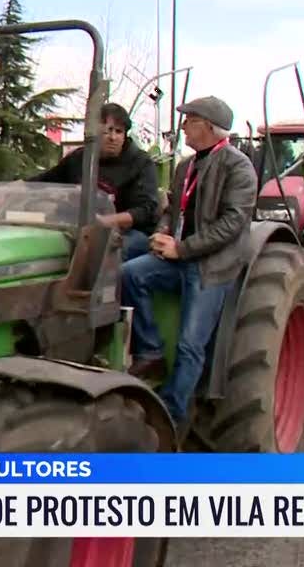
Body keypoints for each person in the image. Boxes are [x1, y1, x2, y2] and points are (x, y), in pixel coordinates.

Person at [120, 95, 257, 431]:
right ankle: (149, 350)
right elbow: (172, 210)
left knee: (190, 344)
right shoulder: (187, 165)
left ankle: (173, 414)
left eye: (189, 120)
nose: (183, 126)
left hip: (211, 265)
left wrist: (182, 249)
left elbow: (232, 223)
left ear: (208, 126)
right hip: (180, 255)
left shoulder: (238, 167)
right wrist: (162, 233)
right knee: (128, 275)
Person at [29, 102, 159, 261]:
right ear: (94, 132)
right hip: (82, 229)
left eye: (119, 131)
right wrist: (9, 188)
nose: (113, 137)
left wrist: (104, 222)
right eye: (107, 131)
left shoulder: (141, 162)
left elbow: (145, 210)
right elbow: (45, 180)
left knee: (102, 254)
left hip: (130, 232)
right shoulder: (79, 158)